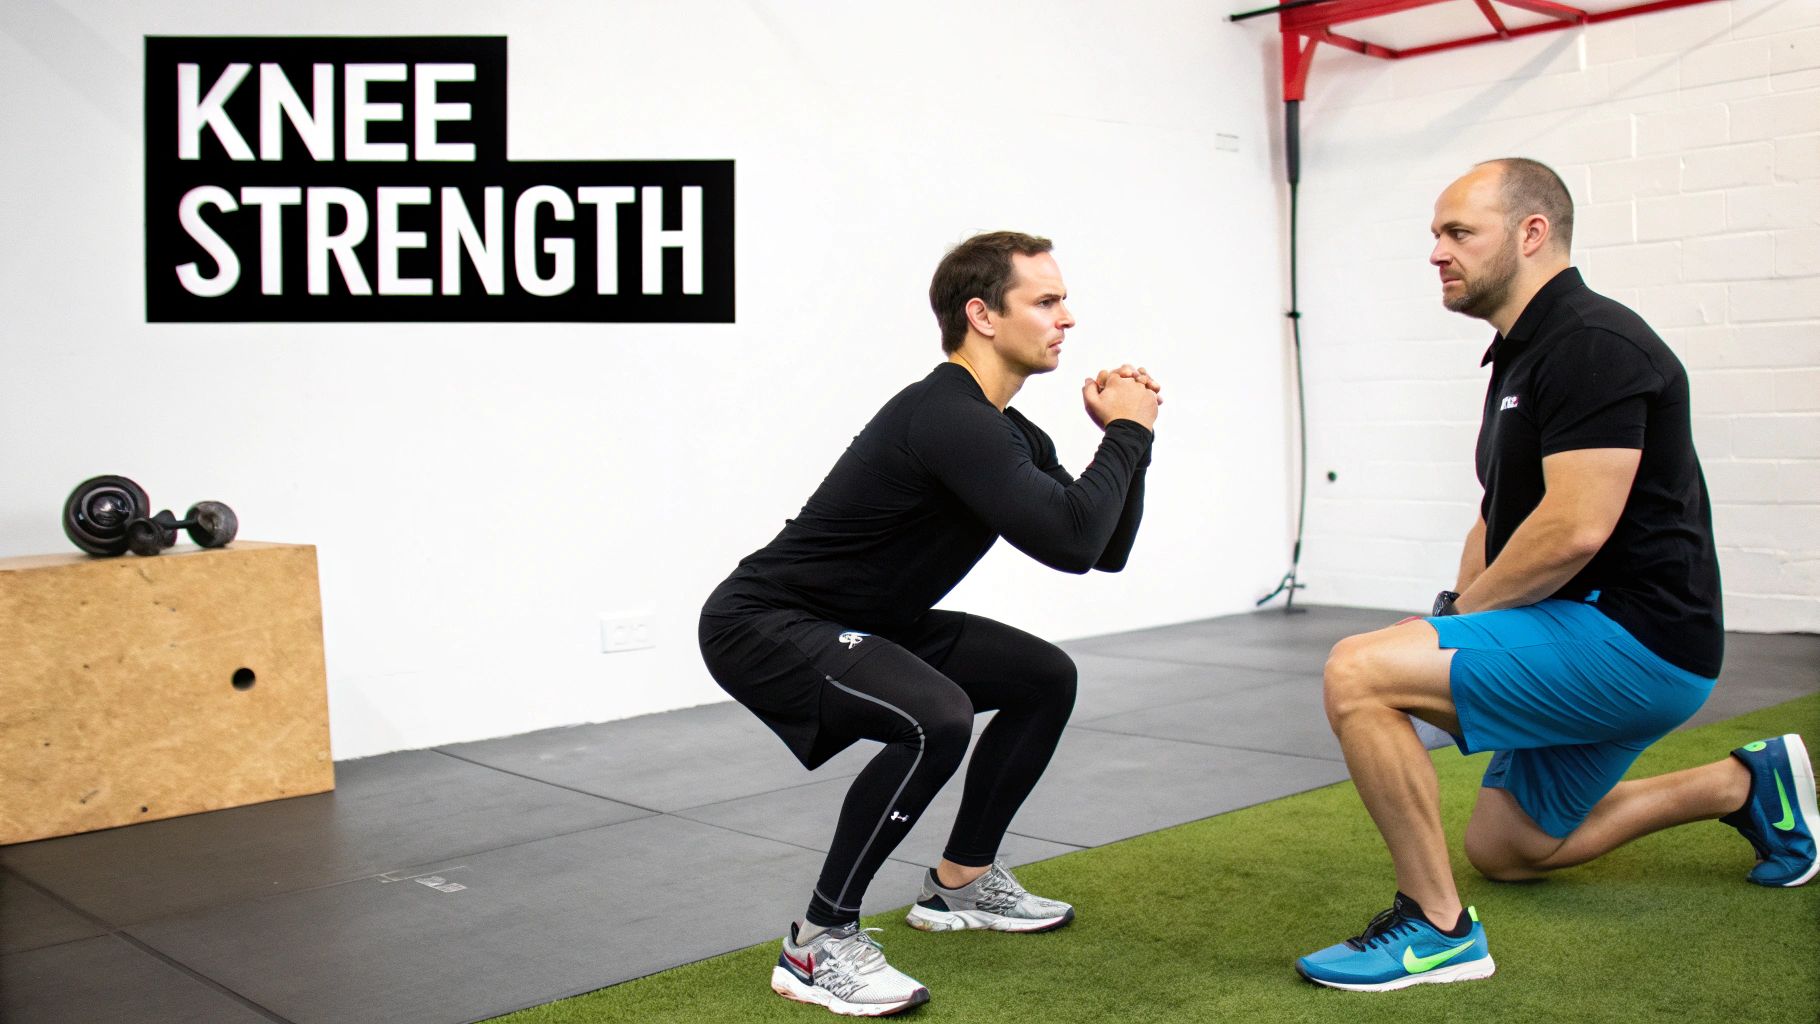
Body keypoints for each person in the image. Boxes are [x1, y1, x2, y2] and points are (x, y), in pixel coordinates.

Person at [1295, 158, 1817, 993]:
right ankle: (1744, 783)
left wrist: (1449, 629)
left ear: (1532, 234)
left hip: (1637, 641)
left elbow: (1574, 529)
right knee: (1511, 848)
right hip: (1591, 629)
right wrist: (1448, 616)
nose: (1436, 251)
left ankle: (1437, 929)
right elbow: (1497, 516)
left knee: (1357, 672)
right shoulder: (1522, 352)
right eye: (1435, 233)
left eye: (1458, 231)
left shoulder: (1591, 344)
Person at [699, 230, 1161, 1015]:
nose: (1067, 318)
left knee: (1044, 678)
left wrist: (1128, 447)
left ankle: (961, 885)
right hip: (768, 621)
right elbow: (1073, 533)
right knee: (934, 717)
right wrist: (1127, 434)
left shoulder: (1010, 431)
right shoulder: (945, 414)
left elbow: (1096, 549)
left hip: (876, 620)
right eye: (1046, 301)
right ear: (982, 314)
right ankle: (816, 943)